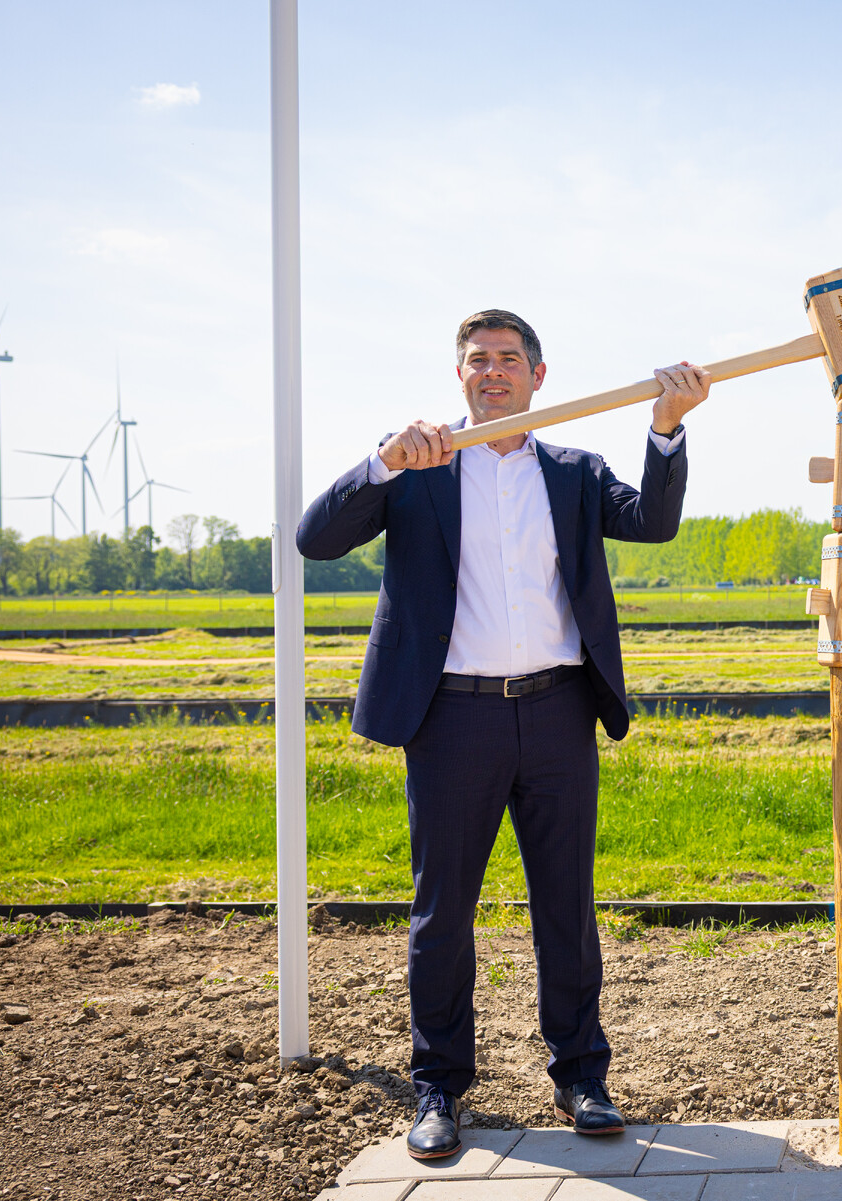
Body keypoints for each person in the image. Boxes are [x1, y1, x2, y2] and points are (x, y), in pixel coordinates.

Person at [296, 310, 710, 1159]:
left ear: (539, 375)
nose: (494, 371)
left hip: (559, 711)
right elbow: (316, 538)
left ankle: (582, 1076)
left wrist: (664, 430)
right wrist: (382, 458)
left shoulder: (573, 470)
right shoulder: (418, 469)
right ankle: (439, 1088)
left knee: (567, 903)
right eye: (478, 360)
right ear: (459, 377)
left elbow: (655, 523)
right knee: (442, 911)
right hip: (452, 718)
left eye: (509, 359)